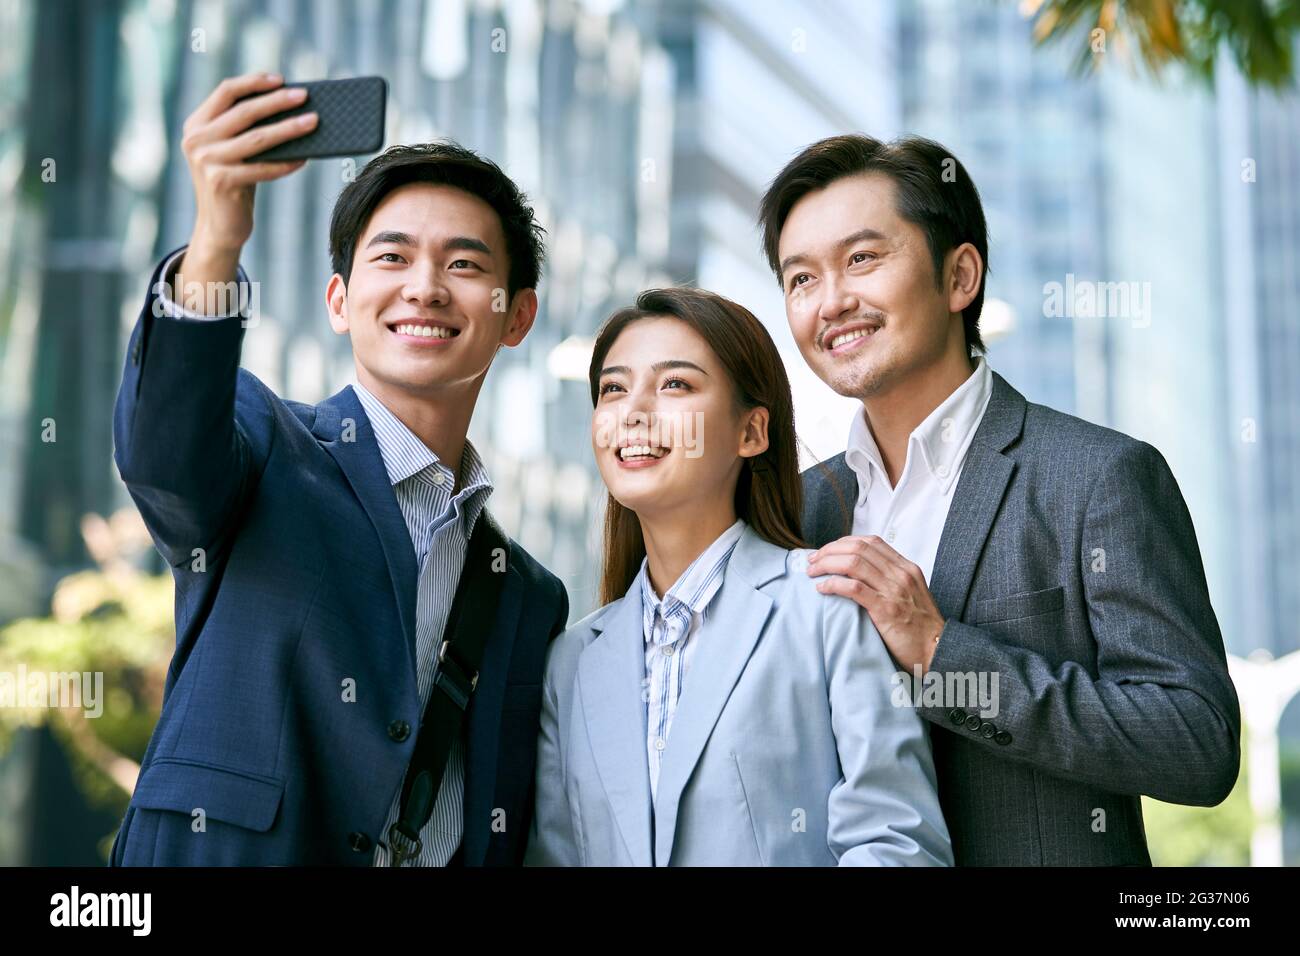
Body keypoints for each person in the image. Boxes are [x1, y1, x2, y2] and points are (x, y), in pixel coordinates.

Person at [110, 72, 566, 866]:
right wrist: (218, 238)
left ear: (515, 315)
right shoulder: (262, 446)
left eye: (464, 265)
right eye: (392, 257)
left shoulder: (528, 594)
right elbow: (165, 459)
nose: (424, 287)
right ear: (339, 300)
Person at [759, 133, 1241, 865]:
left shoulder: (1097, 478)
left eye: (862, 259)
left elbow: (1196, 742)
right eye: (801, 279)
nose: (831, 302)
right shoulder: (798, 512)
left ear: (960, 277)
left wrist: (941, 651)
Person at [525, 287, 952, 866]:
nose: (633, 412)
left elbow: (898, 844)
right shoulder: (571, 662)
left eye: (675, 384)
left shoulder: (827, 608)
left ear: (751, 432)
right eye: (613, 389)